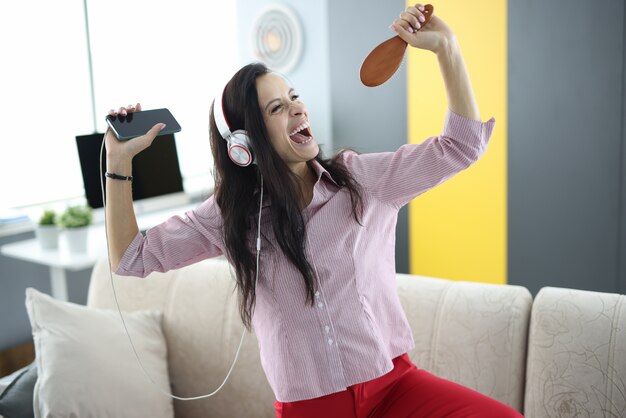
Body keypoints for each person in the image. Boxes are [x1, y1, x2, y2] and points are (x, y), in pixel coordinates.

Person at [104, 4, 522, 417]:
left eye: (294, 97)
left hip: (395, 387)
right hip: (311, 408)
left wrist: (446, 49)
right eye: (277, 108)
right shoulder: (229, 217)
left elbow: (461, 145)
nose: (299, 109)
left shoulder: (362, 180)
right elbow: (131, 258)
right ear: (243, 146)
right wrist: (117, 163)